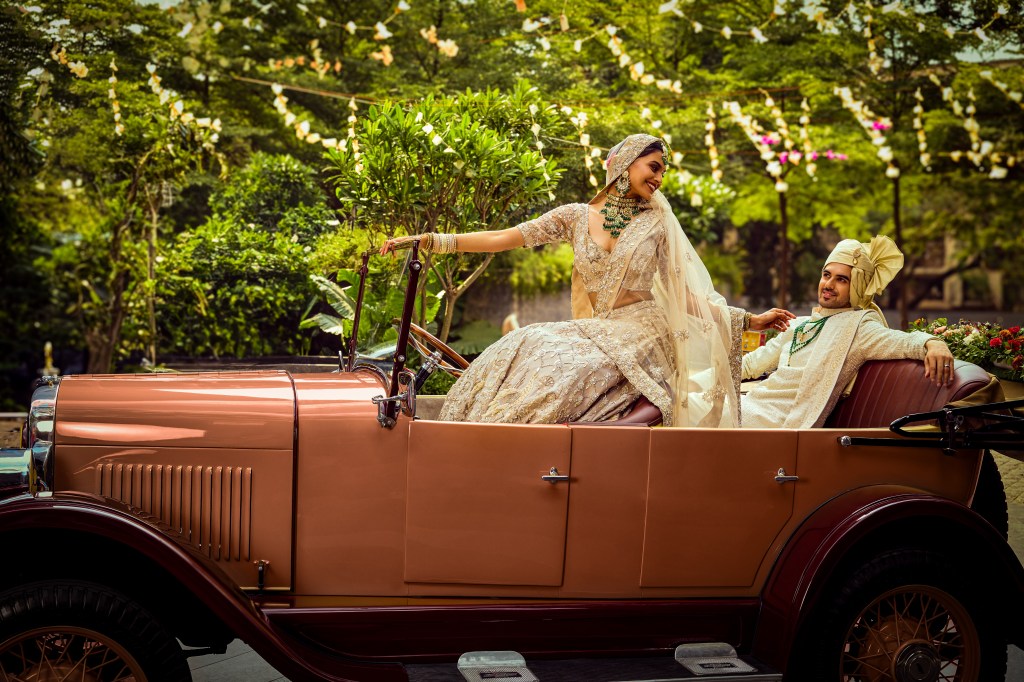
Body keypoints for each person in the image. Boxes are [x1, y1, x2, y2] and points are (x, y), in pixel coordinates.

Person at [381, 134, 793, 427]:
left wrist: (746, 320)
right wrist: (432, 240)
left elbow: (684, 295)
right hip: (599, 328)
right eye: (654, 167)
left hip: (647, 330)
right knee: (526, 341)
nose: (659, 179)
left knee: (571, 369)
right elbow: (502, 238)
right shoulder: (576, 216)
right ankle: (478, 434)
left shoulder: (658, 224)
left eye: (663, 172)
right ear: (627, 161)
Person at [741, 235, 955, 429]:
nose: (829, 284)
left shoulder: (858, 328)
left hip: (778, 423)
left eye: (842, 279)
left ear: (857, 287)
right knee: (707, 398)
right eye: (826, 275)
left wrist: (933, 343)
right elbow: (751, 365)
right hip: (752, 404)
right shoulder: (800, 324)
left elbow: (903, 341)